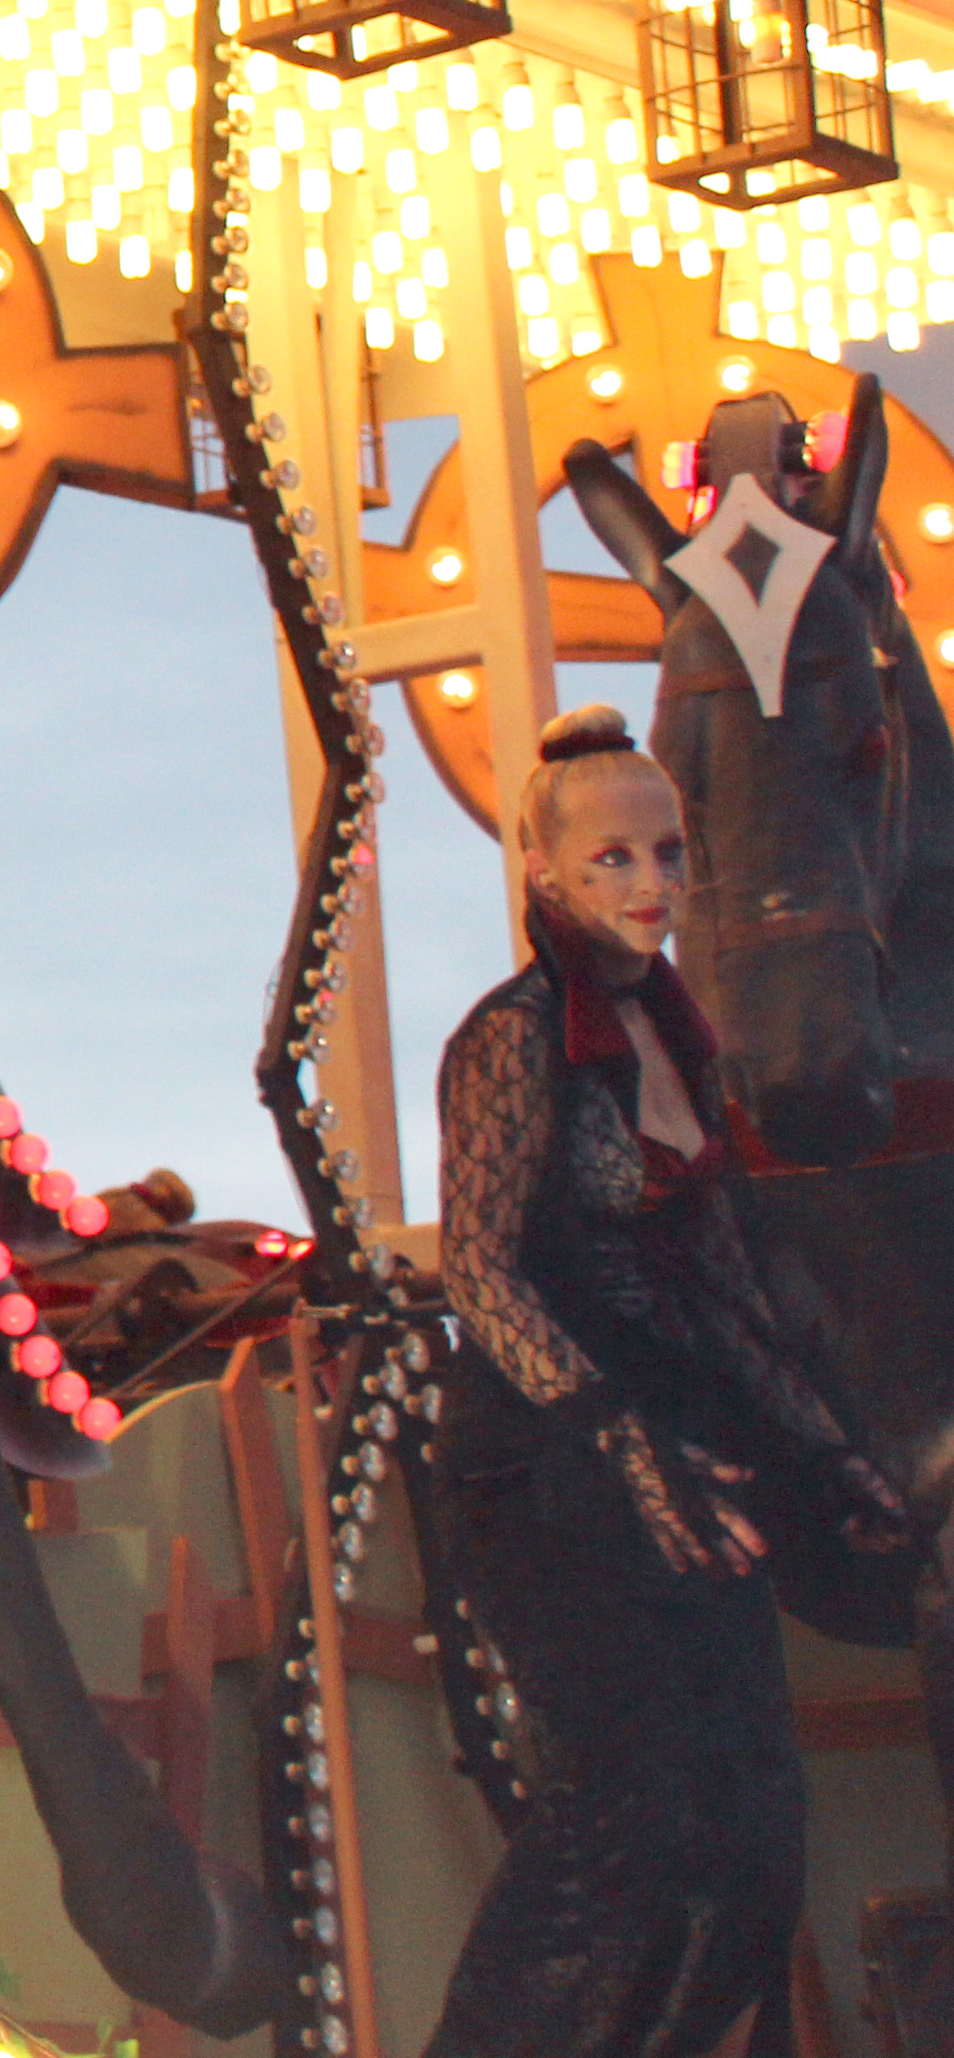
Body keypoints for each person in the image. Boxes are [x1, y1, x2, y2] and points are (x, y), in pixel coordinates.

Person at [424, 700, 910, 2057]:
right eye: (613, 862)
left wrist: (831, 1453)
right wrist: (618, 1441)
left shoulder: (687, 1049)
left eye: (668, 855)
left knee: (758, 1836)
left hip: (693, 1471)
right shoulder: (512, 1039)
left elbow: (725, 1289)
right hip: (541, 1470)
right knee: (627, 1820)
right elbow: (481, 1270)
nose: (652, 887)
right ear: (545, 877)